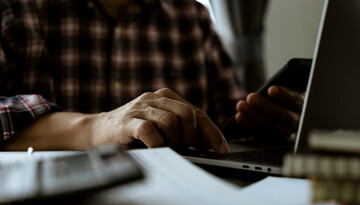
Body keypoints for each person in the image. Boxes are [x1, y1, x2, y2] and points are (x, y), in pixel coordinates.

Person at [0, 0, 303, 154]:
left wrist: (267, 127)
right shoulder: (17, 10)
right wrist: (97, 127)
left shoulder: (190, 17)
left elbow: (228, 124)